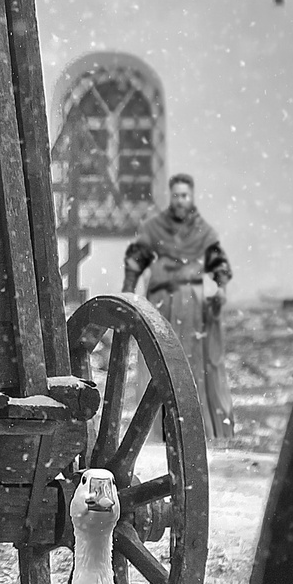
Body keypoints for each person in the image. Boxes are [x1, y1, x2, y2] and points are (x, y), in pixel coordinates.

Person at [122, 173, 234, 436]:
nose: (181, 201)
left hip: (192, 307)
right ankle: (158, 427)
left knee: (190, 366)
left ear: (191, 196)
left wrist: (221, 287)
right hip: (161, 303)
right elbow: (136, 258)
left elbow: (218, 263)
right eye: (176, 195)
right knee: (159, 361)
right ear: (171, 197)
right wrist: (128, 290)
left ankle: (190, 428)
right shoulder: (156, 227)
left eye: (185, 195)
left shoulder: (202, 231)